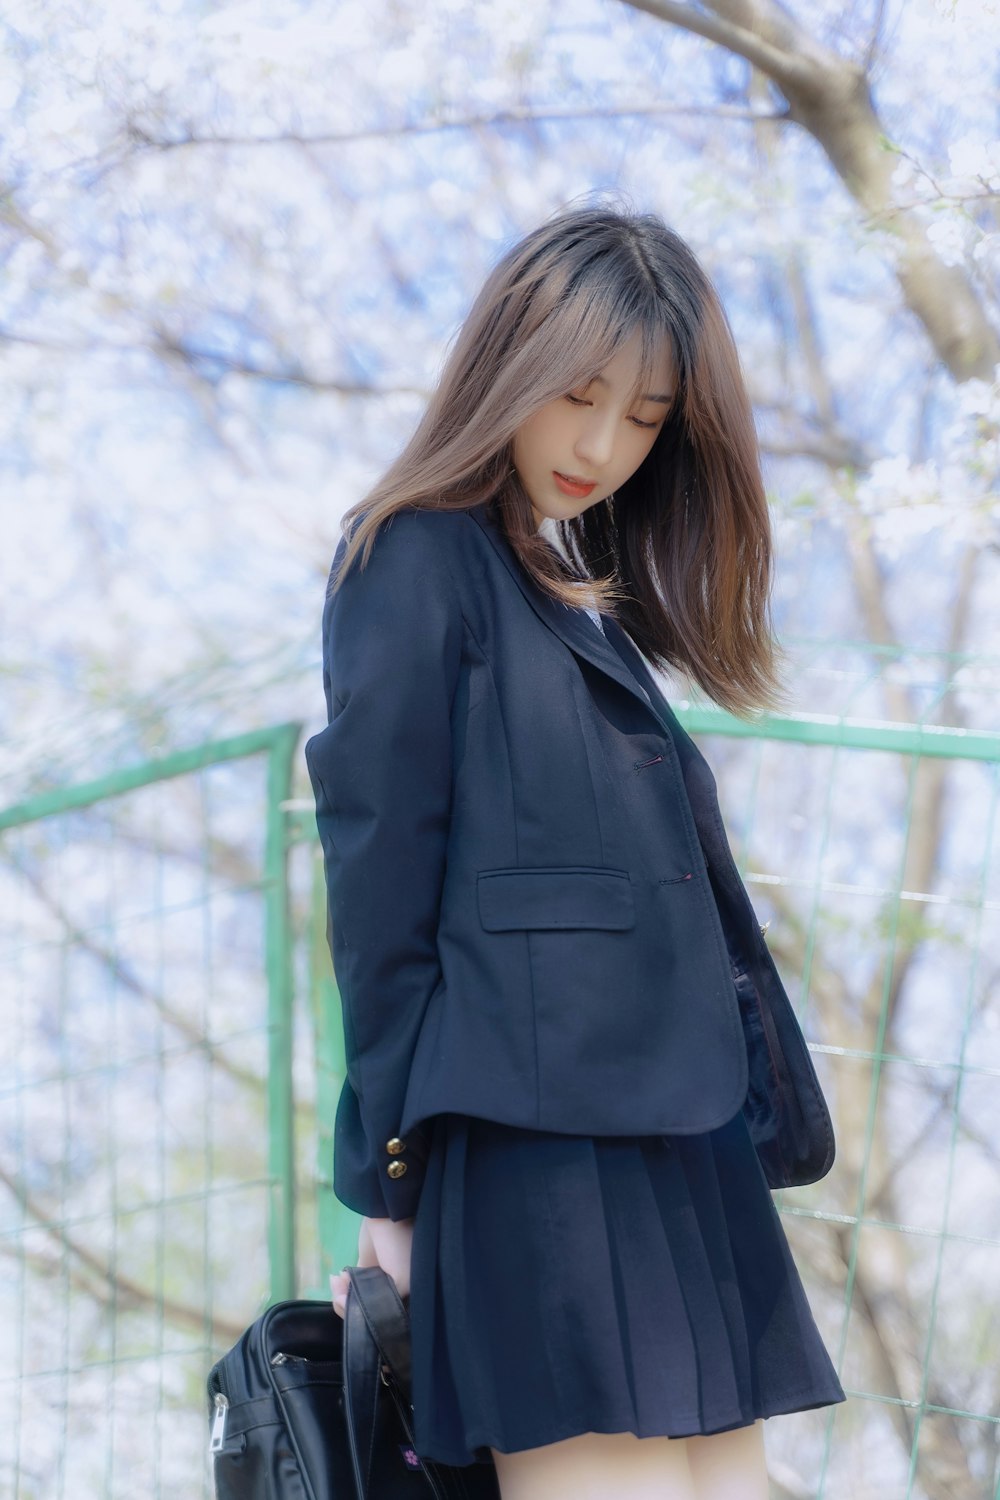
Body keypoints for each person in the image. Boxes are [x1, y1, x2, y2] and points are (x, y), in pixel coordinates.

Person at [304, 204, 846, 1500]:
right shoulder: (416, 558)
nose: (602, 446)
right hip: (533, 1157)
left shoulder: (572, 598)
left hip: (682, 1150)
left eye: (647, 416)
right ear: (509, 364)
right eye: (579, 395)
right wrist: (386, 1187)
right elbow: (379, 891)